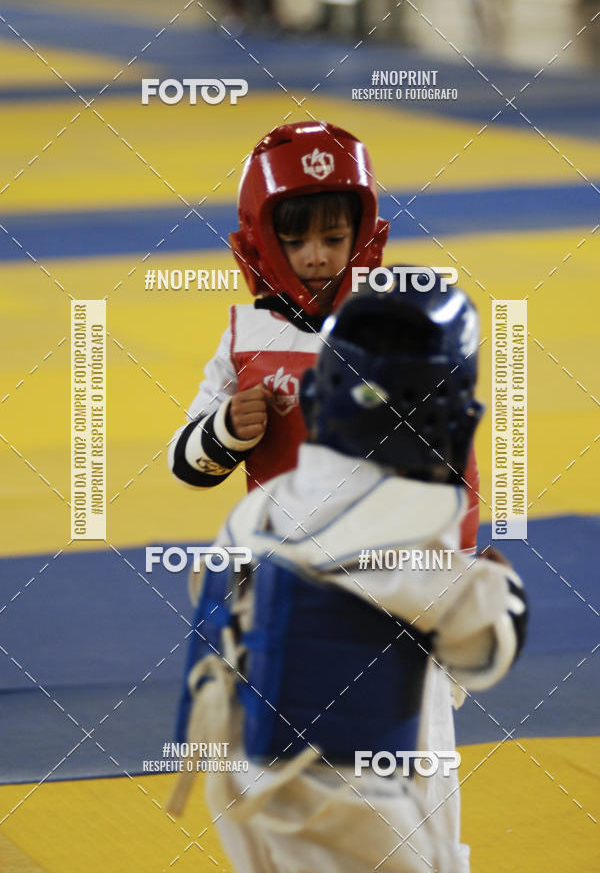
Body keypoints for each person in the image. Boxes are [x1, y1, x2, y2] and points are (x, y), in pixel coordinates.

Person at [169, 279, 528, 873]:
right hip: (342, 797)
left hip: (237, 775)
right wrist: (502, 589)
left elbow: (214, 596)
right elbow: (486, 640)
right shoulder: (399, 537)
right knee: (428, 834)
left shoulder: (264, 506)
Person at [168, 121, 480, 551]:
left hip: (382, 562)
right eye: (296, 241)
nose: (316, 257)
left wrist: (452, 564)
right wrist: (227, 429)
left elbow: (450, 459)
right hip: (282, 564)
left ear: (362, 234)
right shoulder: (247, 335)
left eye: (334, 239)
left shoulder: (397, 328)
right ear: (264, 242)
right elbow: (184, 467)